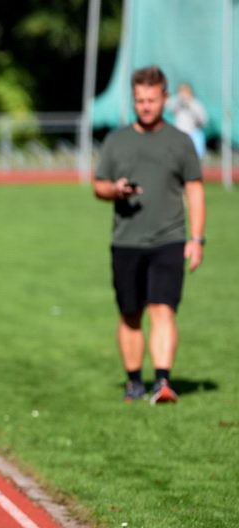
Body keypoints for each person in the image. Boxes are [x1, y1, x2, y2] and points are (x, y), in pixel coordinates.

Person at [93, 65, 205, 404]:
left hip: (169, 239)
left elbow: (195, 191)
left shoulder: (181, 142)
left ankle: (162, 382)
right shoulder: (117, 140)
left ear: (165, 99)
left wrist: (196, 239)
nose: (145, 106)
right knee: (130, 313)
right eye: (140, 100)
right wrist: (115, 190)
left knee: (163, 309)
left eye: (152, 100)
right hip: (126, 240)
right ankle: (133, 382)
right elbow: (98, 186)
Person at [167, 83, 208, 159]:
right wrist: (179, 100)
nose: (183, 94)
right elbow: (169, 106)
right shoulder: (177, 102)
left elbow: (203, 120)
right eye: (181, 91)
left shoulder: (196, 104)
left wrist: (190, 105)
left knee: (194, 158)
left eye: (185, 91)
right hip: (178, 133)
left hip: (193, 134)